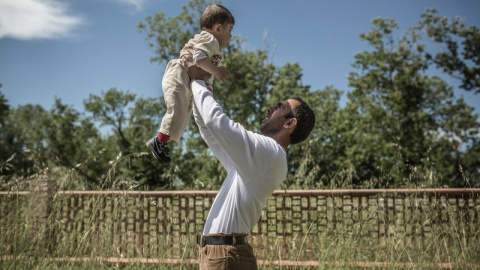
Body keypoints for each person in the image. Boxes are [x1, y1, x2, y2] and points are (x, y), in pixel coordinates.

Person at [190, 79, 316, 269]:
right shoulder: (258, 161)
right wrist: (204, 84)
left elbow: (215, 121)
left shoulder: (270, 152)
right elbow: (209, 129)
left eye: (279, 107)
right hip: (223, 254)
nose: (270, 108)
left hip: (225, 256)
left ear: (290, 122)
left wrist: (195, 80)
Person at [146, 4, 235, 164]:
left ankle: (162, 142)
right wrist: (217, 71)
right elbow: (199, 57)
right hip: (179, 71)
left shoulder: (214, 49)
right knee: (178, 109)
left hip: (186, 77)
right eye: (230, 30)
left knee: (183, 114)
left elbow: (205, 72)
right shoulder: (209, 38)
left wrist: (208, 90)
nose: (231, 35)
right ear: (218, 28)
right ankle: (159, 141)